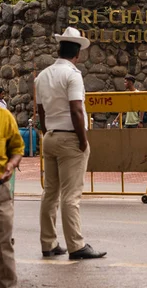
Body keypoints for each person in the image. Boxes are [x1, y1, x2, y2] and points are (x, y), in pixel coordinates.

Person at [35, 27, 106, 260]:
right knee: (71, 195)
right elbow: (76, 110)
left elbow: (41, 112)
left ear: (59, 49)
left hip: (50, 137)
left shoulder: (42, 76)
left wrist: (47, 133)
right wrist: (83, 140)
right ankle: (76, 245)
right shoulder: (73, 75)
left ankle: (48, 242)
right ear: (77, 54)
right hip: (70, 138)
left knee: (50, 193)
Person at [0, 107, 24, 288]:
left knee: (3, 244)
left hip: (0, 190)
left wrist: (12, 164)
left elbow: (17, 148)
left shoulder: (4, 116)